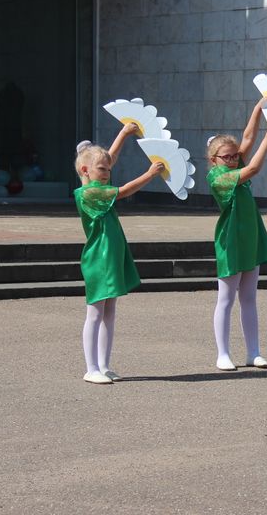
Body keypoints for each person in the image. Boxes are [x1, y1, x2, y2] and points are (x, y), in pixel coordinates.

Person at [74, 124, 165, 384]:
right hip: (99, 258)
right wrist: (149, 174)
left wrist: (124, 133)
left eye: (108, 170)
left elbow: (108, 158)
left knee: (109, 311)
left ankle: (103, 365)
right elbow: (124, 191)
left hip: (111, 255)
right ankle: (91, 368)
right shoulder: (90, 192)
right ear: (85, 171)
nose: (107, 173)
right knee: (95, 313)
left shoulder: (97, 183)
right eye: (102, 170)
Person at [206, 99, 267, 371]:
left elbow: (248, 138)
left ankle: (254, 352)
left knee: (249, 298)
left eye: (234, 156)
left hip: (251, 236)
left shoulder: (234, 166)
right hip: (231, 240)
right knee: (226, 299)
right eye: (226, 157)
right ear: (214, 160)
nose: (232, 159)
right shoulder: (218, 177)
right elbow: (253, 169)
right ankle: (223, 354)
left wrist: (258, 108)